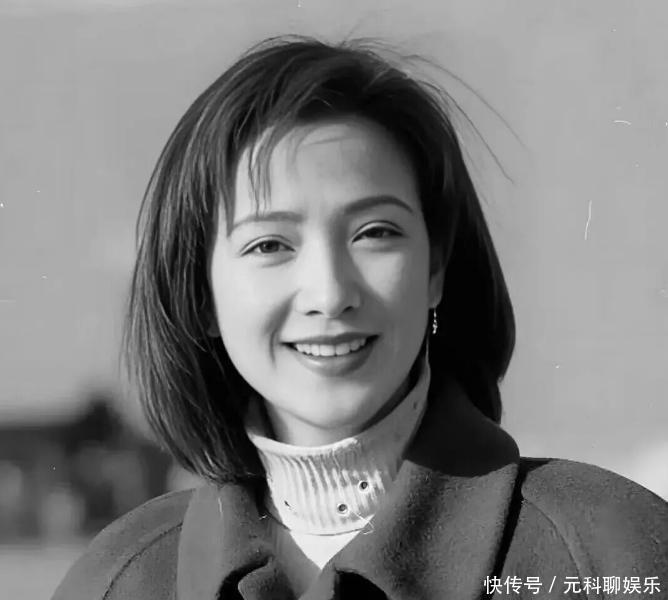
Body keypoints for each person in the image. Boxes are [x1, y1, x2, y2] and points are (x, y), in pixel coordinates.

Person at [53, 35, 668, 600]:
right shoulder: (117, 581)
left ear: (435, 269)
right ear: (201, 295)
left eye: (375, 232)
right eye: (270, 245)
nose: (329, 294)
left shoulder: (606, 551)